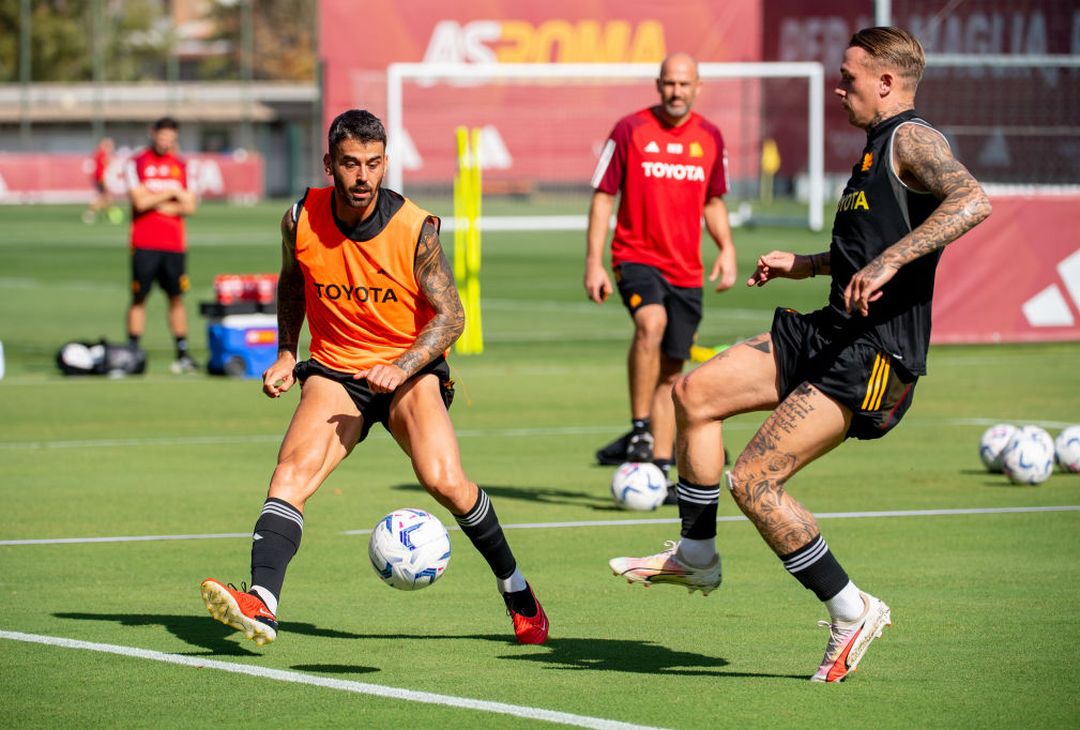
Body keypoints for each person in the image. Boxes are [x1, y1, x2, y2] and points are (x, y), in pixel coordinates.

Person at [609, 27, 991, 682]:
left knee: (754, 480)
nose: (838, 87)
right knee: (694, 393)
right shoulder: (875, 150)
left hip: (874, 357)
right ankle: (697, 553)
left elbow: (973, 198)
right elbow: (861, 250)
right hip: (828, 330)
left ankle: (851, 609)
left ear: (887, 82)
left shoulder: (911, 138)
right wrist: (805, 263)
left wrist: (893, 259)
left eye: (848, 76)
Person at [200, 109, 549, 647]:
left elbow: (452, 315)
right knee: (289, 475)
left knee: (444, 480)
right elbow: (292, 285)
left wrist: (404, 364)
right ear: (329, 165)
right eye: (349, 164)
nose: (362, 176)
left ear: (385, 164)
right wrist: (286, 354)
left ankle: (516, 589)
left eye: (372, 163)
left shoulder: (415, 228)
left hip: (409, 370)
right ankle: (263, 604)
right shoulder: (299, 218)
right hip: (337, 368)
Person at [585, 52, 737, 498]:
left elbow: (713, 201)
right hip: (636, 257)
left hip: (686, 269)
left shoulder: (710, 136)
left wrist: (726, 248)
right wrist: (594, 262)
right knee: (651, 324)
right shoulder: (629, 130)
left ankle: (658, 468)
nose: (676, 91)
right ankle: (638, 429)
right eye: (669, 83)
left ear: (697, 86)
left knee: (673, 371)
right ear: (658, 84)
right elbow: (602, 198)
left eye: (684, 84)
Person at [124, 117, 199, 373]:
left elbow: (190, 206)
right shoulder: (137, 163)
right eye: (162, 135)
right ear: (153, 133)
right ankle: (132, 352)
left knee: (176, 298)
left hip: (174, 245)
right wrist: (172, 193)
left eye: (171, 136)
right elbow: (139, 203)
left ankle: (182, 353)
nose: (166, 140)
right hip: (144, 242)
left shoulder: (181, 166)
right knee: (139, 297)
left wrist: (156, 199)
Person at [83, 137, 123, 225]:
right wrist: (103, 181)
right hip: (101, 180)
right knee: (104, 198)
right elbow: (100, 170)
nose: (111, 147)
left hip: (100, 179)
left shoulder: (100, 154)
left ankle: (109, 214)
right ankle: (91, 213)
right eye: (109, 145)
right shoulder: (102, 154)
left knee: (106, 199)